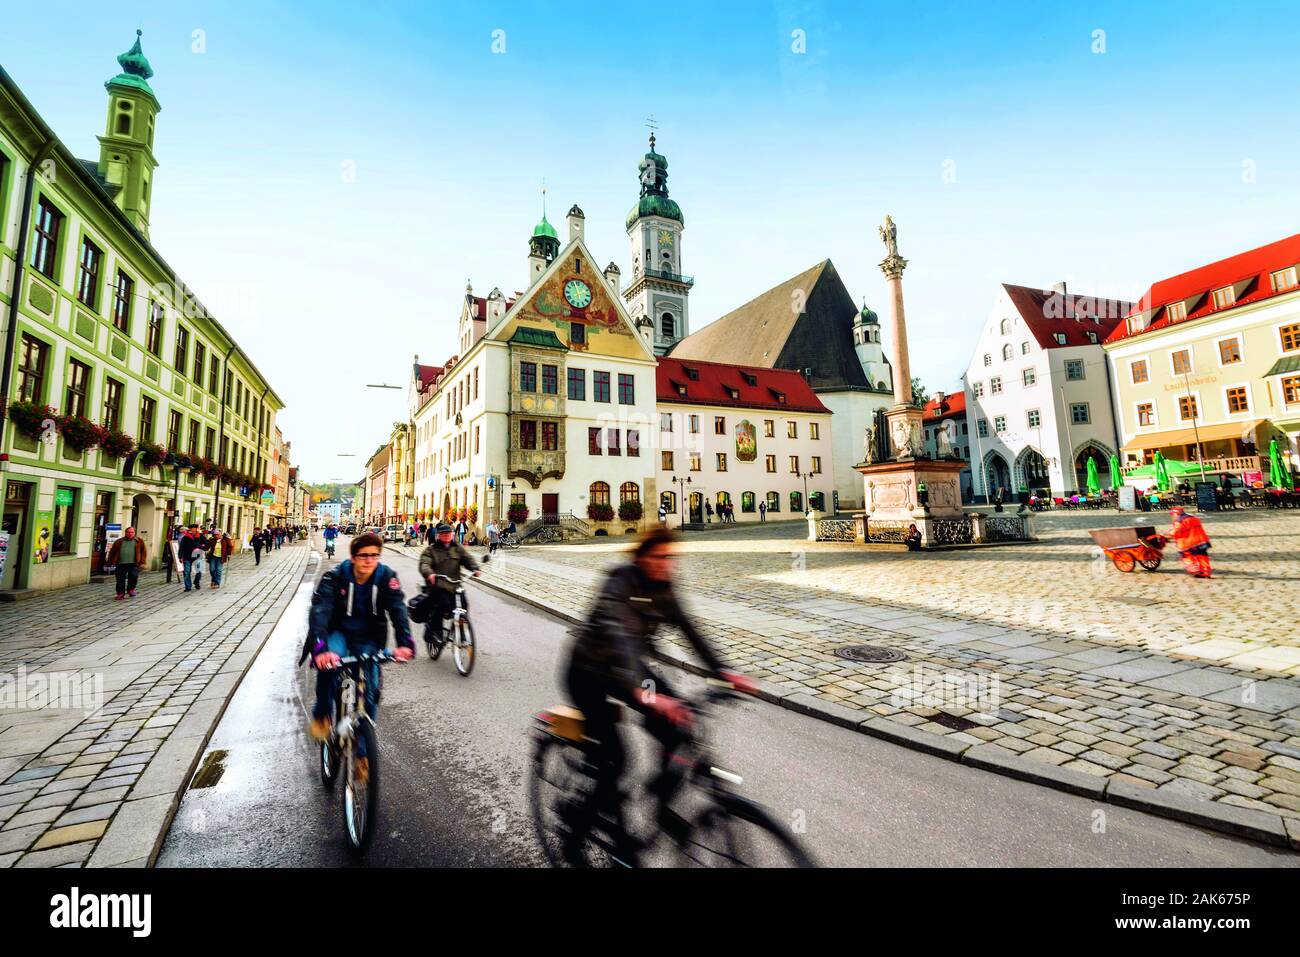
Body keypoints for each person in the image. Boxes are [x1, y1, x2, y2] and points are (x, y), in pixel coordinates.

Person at [560, 528, 757, 862]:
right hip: (589, 672)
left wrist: (724, 672)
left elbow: (691, 631)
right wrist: (647, 695)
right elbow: (616, 636)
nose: (666, 565)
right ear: (641, 557)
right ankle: (575, 836)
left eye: (670, 558)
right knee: (616, 759)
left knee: (680, 724)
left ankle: (661, 804)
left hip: (631, 674)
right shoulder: (620, 580)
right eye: (658, 557)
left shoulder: (664, 589)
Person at [307, 532, 415, 781]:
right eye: (364, 556)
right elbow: (321, 611)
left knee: (372, 691)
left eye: (375, 556)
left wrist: (404, 644)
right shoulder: (335, 577)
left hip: (368, 638)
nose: (369, 561)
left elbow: (398, 609)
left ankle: (362, 756)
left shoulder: (386, 577)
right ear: (353, 557)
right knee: (329, 665)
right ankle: (323, 714)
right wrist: (321, 649)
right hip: (338, 632)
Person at [418, 524, 481, 639]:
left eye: (449, 534)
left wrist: (475, 568)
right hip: (438, 585)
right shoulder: (431, 550)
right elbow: (424, 563)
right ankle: (434, 631)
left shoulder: (457, 548)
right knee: (443, 605)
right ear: (438, 536)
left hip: (455, 584)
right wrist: (430, 574)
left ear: (452, 535)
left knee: (464, 605)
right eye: (444, 534)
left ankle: (461, 632)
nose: (446, 536)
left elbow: (467, 558)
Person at [1168, 506, 1212, 578]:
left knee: (1187, 557)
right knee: (1203, 557)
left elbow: (1177, 531)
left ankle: (1194, 570)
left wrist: (1169, 535)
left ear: (1176, 514)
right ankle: (1206, 572)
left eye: (1173, 514)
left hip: (1189, 543)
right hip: (1202, 541)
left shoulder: (1179, 521)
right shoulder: (1193, 518)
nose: (1172, 516)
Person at [106, 526, 147, 600]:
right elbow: (113, 552)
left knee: (133, 577)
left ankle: (131, 589)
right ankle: (120, 594)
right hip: (121, 563)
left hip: (134, 563)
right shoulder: (119, 541)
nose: (130, 534)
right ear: (125, 533)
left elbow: (143, 552)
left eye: (132, 532)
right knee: (120, 579)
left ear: (134, 533)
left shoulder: (139, 541)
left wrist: (142, 562)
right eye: (128, 532)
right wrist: (109, 562)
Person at [178, 524, 204, 591]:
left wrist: (201, 547)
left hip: (197, 556)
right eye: (192, 528)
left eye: (195, 528)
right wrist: (180, 556)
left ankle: (196, 582)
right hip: (187, 557)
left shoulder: (200, 536)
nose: (193, 530)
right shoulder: (185, 537)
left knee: (199, 571)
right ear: (190, 529)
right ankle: (188, 586)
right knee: (187, 572)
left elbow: (206, 543)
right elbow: (181, 547)